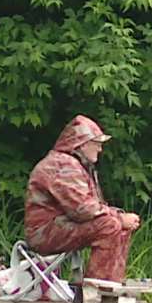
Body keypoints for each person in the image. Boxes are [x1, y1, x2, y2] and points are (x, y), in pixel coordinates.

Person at [25, 114, 141, 284]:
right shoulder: (62, 165)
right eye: (97, 144)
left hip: (59, 227)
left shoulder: (75, 165)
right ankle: (96, 292)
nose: (100, 150)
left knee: (117, 225)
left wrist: (120, 216)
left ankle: (113, 285)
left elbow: (92, 207)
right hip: (43, 233)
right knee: (110, 225)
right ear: (83, 144)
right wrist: (119, 218)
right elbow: (82, 209)